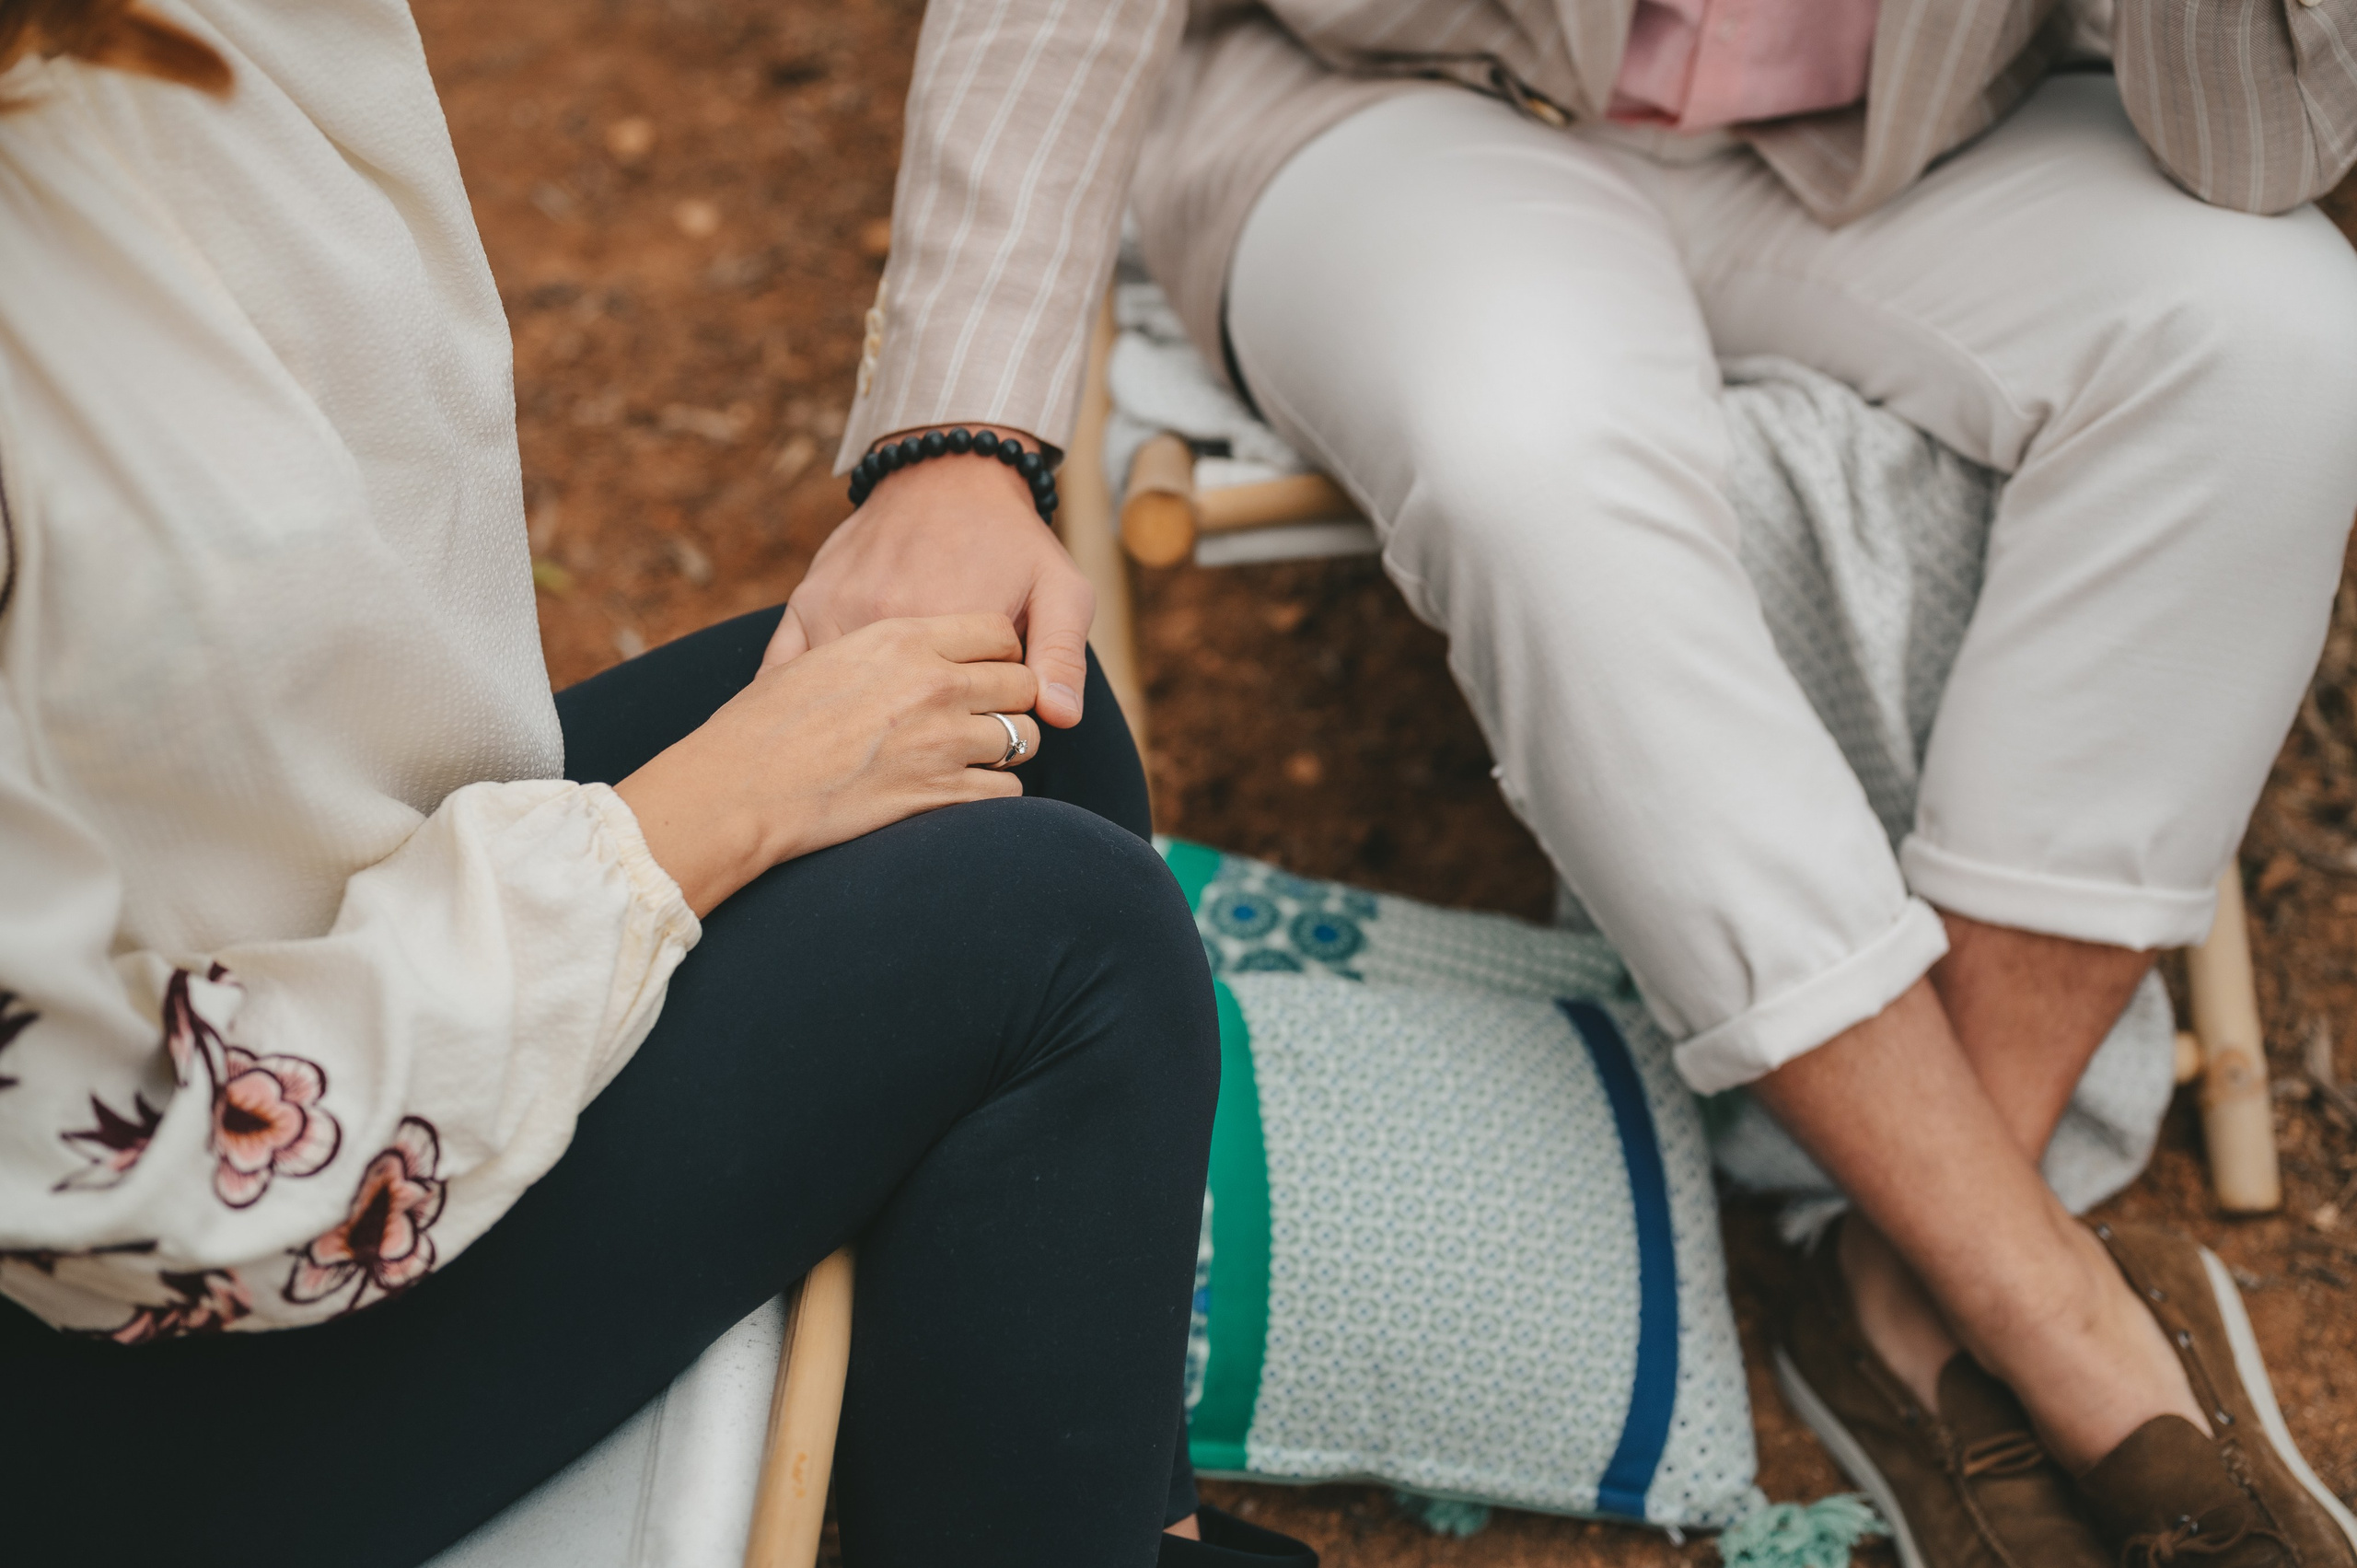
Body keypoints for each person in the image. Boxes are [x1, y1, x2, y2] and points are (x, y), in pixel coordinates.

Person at [819, 0, 2357, 1562]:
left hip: (1915, 135)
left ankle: (1920, 1265)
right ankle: (2050, 1314)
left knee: (2280, 335)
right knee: (1524, 447)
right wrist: (959, 435)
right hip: (1396, 101)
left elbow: (2249, 152)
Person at [0, 4, 1324, 1564]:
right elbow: (112, 1166)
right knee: (1063, 941)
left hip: (310, 936)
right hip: (131, 1334)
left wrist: (955, 450)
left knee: (1027, 720)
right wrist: (700, 818)